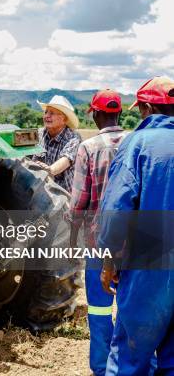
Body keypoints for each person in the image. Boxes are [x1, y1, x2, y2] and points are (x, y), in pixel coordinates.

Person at [98, 76, 174, 375]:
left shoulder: (139, 144)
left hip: (149, 267)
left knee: (131, 356)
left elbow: (117, 209)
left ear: (145, 107)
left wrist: (109, 261)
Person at [68, 89, 128, 376]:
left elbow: (79, 201)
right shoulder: (135, 143)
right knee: (131, 304)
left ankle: (103, 366)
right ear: (119, 113)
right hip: (137, 241)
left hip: (98, 241)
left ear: (95, 114)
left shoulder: (88, 148)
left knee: (101, 307)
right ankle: (132, 363)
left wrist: (71, 237)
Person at [33, 95, 81, 192]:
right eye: (46, 112)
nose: (47, 116)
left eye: (52, 113)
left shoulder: (73, 138)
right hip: (39, 189)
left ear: (64, 119)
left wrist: (49, 170)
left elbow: (66, 159)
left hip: (63, 193)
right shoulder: (39, 134)